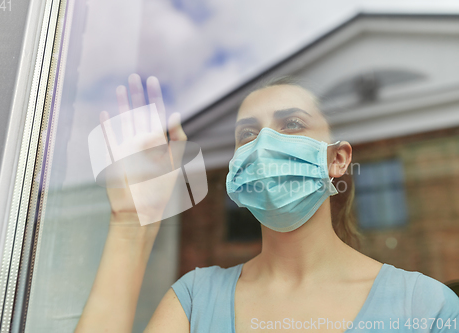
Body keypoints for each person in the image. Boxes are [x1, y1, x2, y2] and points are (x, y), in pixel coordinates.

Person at [75, 74, 459, 333]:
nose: (264, 146)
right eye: (248, 134)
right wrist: (130, 222)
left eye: (291, 124)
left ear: (338, 159)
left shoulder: (425, 307)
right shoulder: (195, 301)